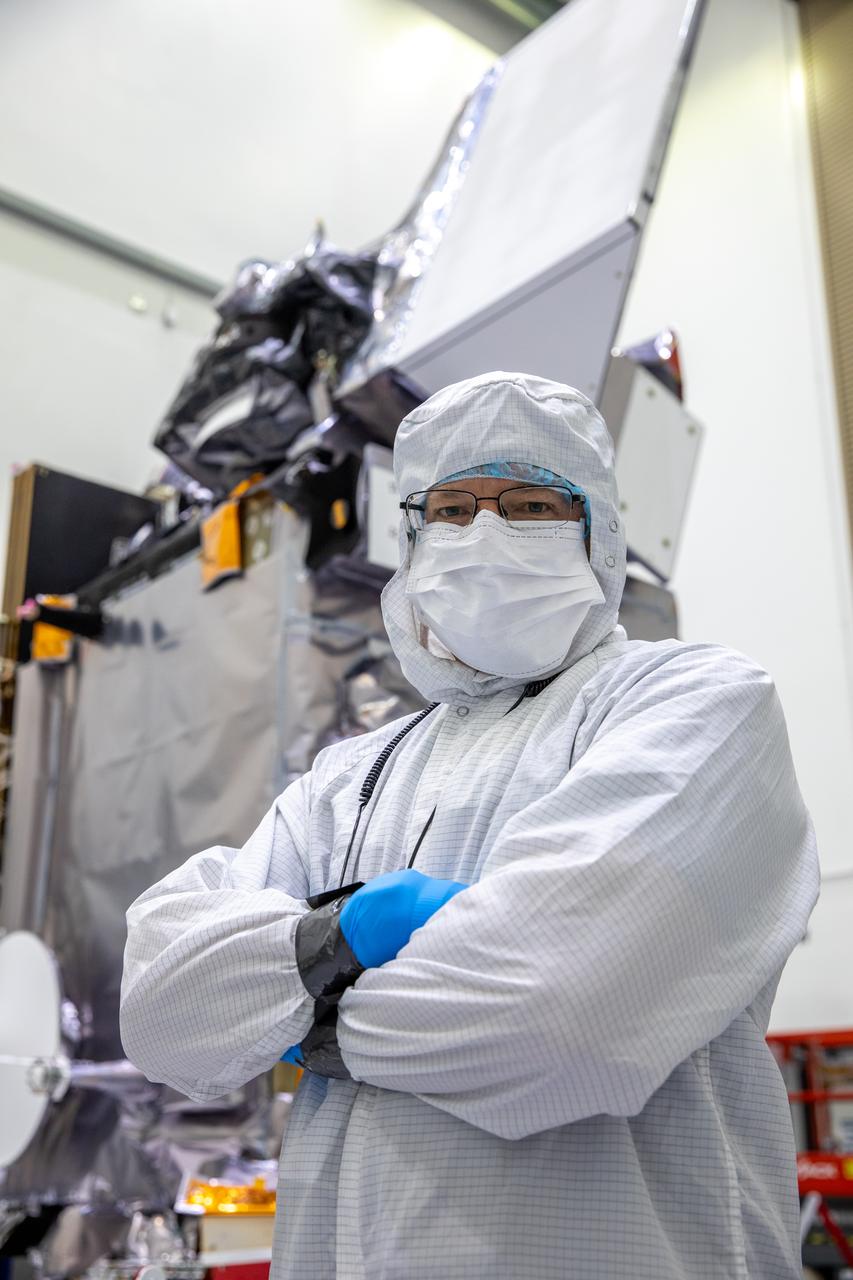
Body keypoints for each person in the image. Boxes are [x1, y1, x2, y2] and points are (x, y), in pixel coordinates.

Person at [121, 371, 819, 1280]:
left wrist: (300, 1021)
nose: (484, 531)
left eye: (529, 503)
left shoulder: (695, 703)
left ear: (597, 534)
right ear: (409, 541)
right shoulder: (350, 774)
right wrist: (344, 940)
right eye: (451, 508)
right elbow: (164, 1011)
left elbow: (554, 1019)